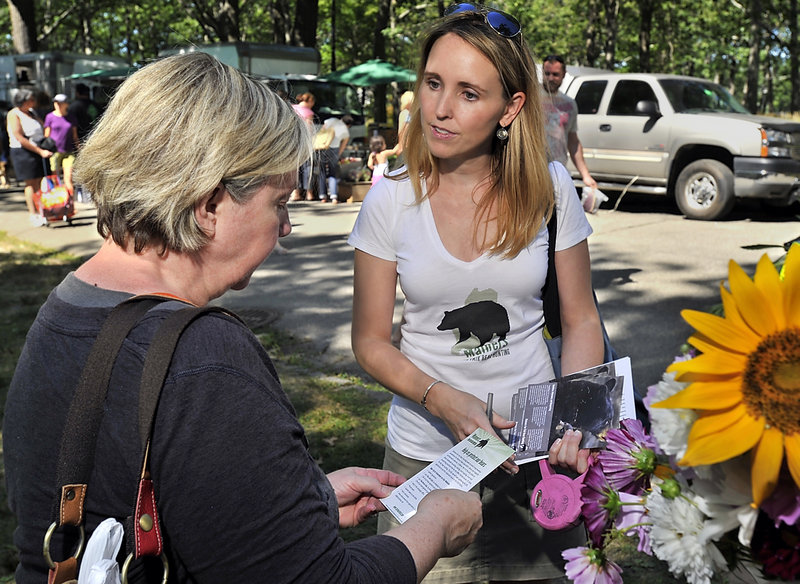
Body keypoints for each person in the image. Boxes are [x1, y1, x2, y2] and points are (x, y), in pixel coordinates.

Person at [3, 52, 483, 584]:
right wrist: (434, 525)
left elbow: (151, 491)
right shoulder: (204, 358)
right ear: (209, 204)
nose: (287, 227)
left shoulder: (65, 306)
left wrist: (304, 502)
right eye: (279, 203)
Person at [348, 7, 603, 583]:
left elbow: (583, 320)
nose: (440, 109)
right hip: (426, 458)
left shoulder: (552, 189)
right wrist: (445, 401)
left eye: (468, 93)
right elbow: (369, 342)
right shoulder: (389, 200)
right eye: (434, 84)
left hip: (538, 462)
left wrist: (571, 425)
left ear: (510, 108)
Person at [541, 55, 597, 191]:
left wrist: (586, 175)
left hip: (557, 172)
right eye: (546, 73)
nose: (550, 78)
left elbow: (573, 142)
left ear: (564, 75)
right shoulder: (529, 97)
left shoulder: (569, 104)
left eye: (555, 74)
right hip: (531, 170)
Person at [6, 88, 54, 226]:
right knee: (30, 184)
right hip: (23, 152)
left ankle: (41, 210)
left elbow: (42, 126)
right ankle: (33, 214)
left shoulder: (32, 112)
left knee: (39, 182)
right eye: (31, 99)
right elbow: (18, 136)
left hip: (37, 149)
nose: (34, 101)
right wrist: (39, 151)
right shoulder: (13, 114)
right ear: (23, 100)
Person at [43, 93, 79, 194]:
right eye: (56, 102)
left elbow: (75, 136)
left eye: (60, 103)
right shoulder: (49, 117)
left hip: (69, 151)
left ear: (66, 104)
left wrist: (79, 148)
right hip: (55, 151)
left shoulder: (71, 118)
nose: (58, 104)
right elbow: (47, 135)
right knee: (56, 179)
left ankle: (71, 205)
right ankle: (60, 203)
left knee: (68, 178)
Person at [317, 114, 354, 203]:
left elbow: (322, 131)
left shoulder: (331, 120)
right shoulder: (346, 132)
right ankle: (334, 196)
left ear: (341, 119)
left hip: (323, 147)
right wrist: (337, 156)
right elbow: (342, 147)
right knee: (332, 172)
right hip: (334, 149)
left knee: (322, 171)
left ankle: (323, 196)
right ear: (349, 125)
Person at [290, 92, 317, 202]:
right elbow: (309, 130)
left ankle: (295, 193)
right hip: (303, 143)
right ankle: (309, 193)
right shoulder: (308, 112)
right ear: (310, 101)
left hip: (291, 143)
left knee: (294, 168)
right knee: (306, 168)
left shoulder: (291, 108)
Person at [396, 91, 415, 155]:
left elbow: (402, 131)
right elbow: (403, 131)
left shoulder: (406, 113)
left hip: (408, 145)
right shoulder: (408, 113)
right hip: (411, 145)